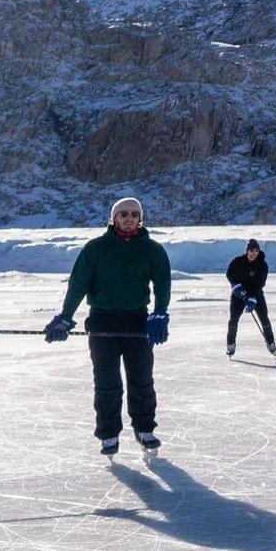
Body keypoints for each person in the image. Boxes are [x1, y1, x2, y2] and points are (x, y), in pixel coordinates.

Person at [44, 196, 172, 457]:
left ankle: (145, 428)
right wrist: (66, 317)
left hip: (138, 322)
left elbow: (162, 284)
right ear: (114, 218)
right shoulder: (95, 248)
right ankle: (109, 433)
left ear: (140, 218)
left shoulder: (153, 250)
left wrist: (160, 314)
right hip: (102, 321)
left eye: (134, 214)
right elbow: (78, 284)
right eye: (123, 214)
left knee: (142, 380)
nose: (128, 218)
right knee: (107, 382)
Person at [225, 238, 276, 358]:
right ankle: (231, 345)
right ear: (247, 251)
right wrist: (236, 287)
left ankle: (271, 343)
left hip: (256, 294)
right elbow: (229, 274)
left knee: (264, 318)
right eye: (251, 250)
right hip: (239, 295)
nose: (254, 253)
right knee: (233, 319)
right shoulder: (237, 261)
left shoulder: (262, 265)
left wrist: (252, 298)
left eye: (256, 250)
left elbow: (260, 283)